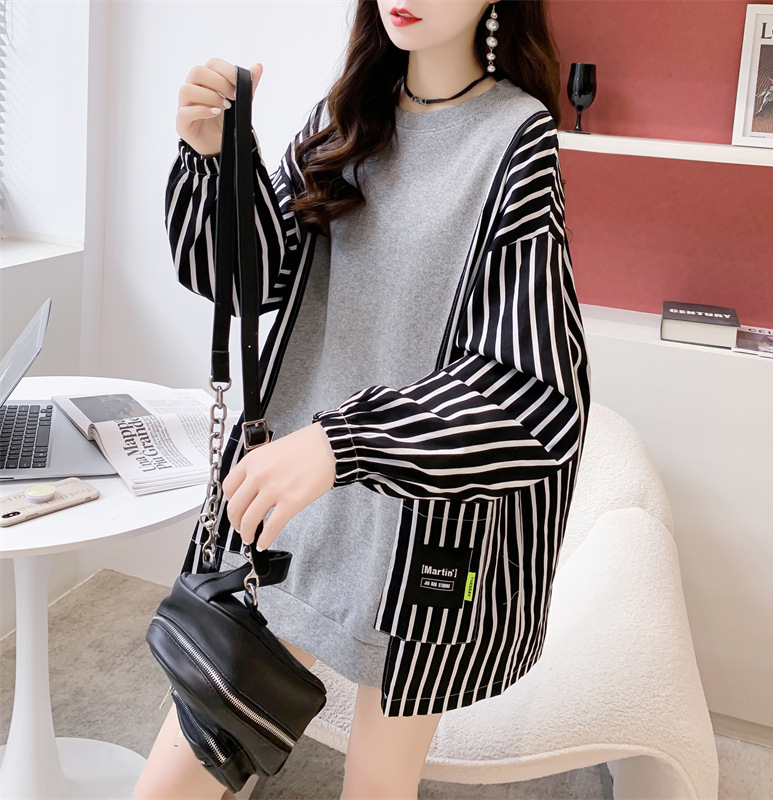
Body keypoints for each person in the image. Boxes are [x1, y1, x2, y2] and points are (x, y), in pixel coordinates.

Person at [135, 1, 590, 798]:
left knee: (378, 785)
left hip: (420, 529)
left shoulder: (516, 138)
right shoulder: (342, 118)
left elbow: (535, 390)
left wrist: (342, 443)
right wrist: (215, 160)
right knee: (173, 779)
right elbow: (248, 281)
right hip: (294, 507)